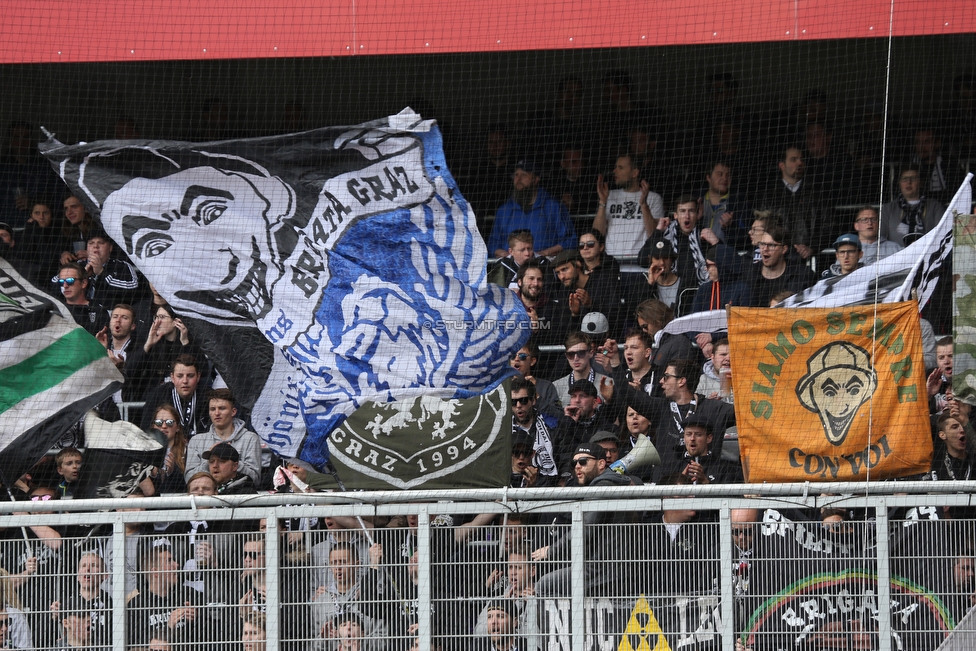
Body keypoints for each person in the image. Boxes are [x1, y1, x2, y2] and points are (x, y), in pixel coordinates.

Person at [600, 358, 735, 477]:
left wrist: (738, 384)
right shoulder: (659, 408)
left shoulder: (714, 408)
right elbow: (627, 393)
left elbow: (743, 414)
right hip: (666, 488)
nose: (661, 381)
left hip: (706, 487)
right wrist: (615, 362)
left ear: (681, 381)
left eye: (666, 377)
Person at [532, 443, 636, 597]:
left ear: (601, 463)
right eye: (574, 463)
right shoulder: (607, 483)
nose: (577, 467)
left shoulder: (602, 486)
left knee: (544, 585)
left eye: (583, 462)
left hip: (602, 570)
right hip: (607, 568)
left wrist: (551, 550)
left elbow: (585, 529)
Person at [486, 161, 576, 259]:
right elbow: (492, 244)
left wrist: (543, 254)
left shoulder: (553, 206)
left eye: (524, 175)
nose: (518, 179)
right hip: (510, 268)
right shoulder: (503, 210)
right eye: (516, 175)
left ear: (536, 179)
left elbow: (570, 240)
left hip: (544, 266)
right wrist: (506, 255)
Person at [126, 544, 203, 647]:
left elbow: (209, 633)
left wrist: (198, 617)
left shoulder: (189, 595)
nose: (177, 565)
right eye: (169, 561)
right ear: (156, 572)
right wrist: (169, 628)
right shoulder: (137, 604)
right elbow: (135, 645)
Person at [184, 389, 262, 486]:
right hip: (206, 498)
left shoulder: (250, 438)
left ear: (233, 411)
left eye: (222, 408)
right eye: (212, 409)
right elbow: (189, 479)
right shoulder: (196, 441)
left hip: (239, 497)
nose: (216, 413)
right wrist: (209, 461)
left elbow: (255, 478)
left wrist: (231, 459)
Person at [593, 153, 663, 261]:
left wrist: (644, 205)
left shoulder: (653, 198)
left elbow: (655, 235)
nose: (614, 171)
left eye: (620, 168)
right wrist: (602, 202)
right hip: (612, 264)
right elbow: (597, 233)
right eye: (615, 167)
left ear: (634, 173)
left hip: (640, 263)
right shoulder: (609, 195)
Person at [758, 146, 822, 258]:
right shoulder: (770, 195)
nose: (800, 163)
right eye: (794, 159)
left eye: (801, 159)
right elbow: (765, 226)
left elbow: (828, 225)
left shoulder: (816, 192)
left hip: (811, 258)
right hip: (779, 257)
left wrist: (812, 247)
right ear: (781, 165)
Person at [649, 195, 712, 289]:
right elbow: (641, 259)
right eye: (682, 211)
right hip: (673, 291)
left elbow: (725, 264)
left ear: (697, 214)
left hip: (700, 292)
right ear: (676, 215)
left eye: (691, 211)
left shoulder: (705, 236)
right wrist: (658, 231)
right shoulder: (667, 237)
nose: (687, 216)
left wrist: (716, 243)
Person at [745, 225, 817, 307]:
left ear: (784, 249)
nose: (765, 249)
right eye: (762, 244)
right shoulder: (749, 274)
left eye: (771, 245)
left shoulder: (803, 274)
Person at [140, 355, 211, 437]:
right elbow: (146, 429)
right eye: (180, 376)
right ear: (172, 377)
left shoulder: (208, 396)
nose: (185, 381)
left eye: (190, 376)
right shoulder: (157, 395)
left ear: (198, 377)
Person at [659, 418, 742, 485]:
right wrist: (680, 480)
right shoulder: (670, 468)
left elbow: (731, 499)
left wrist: (705, 482)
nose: (692, 439)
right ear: (684, 438)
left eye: (698, 434)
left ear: (709, 438)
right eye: (688, 434)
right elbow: (658, 498)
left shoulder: (725, 469)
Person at [880, 164, 945, 247]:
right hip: (896, 257)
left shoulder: (934, 206)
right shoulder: (888, 209)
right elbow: (881, 238)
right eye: (904, 179)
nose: (909, 182)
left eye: (913, 178)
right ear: (899, 183)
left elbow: (942, 233)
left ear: (921, 182)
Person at [510, 377, 559, 487]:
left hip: (549, 488)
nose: (518, 405)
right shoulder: (504, 431)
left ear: (533, 400)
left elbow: (564, 456)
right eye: (513, 402)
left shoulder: (551, 425)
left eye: (523, 400)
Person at [83, 229, 142, 310]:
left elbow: (133, 289)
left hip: (112, 316)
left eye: (101, 242)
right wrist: (82, 276)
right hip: (81, 314)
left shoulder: (122, 266)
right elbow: (61, 288)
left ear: (110, 247)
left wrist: (101, 273)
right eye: (91, 243)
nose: (95, 246)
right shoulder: (77, 265)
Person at [698, 161, 751, 249]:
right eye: (720, 174)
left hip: (724, 257)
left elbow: (747, 238)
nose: (725, 178)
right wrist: (696, 219)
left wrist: (730, 226)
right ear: (708, 177)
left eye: (728, 175)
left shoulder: (739, 204)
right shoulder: (697, 202)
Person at [576, 229, 622, 328]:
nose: (585, 248)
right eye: (581, 245)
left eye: (590, 244)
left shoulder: (611, 268)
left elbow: (612, 303)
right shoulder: (576, 270)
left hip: (607, 323)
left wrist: (590, 304)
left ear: (601, 247)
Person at [552, 332, 609, 408]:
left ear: (591, 353)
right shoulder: (556, 386)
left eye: (581, 353)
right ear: (566, 356)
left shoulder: (608, 384)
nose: (576, 358)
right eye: (571, 354)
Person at [508, 338, 560, 418]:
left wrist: (536, 394)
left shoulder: (546, 387)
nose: (516, 359)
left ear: (532, 361)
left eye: (522, 356)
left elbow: (558, 416)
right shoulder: (502, 387)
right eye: (512, 356)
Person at [55, 262, 108, 336]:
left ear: (83, 283)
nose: (65, 286)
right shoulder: (56, 310)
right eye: (61, 282)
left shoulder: (99, 311)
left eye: (70, 281)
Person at [632, 239, 683, 310]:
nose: (662, 262)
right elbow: (640, 311)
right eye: (657, 258)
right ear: (651, 260)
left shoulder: (684, 284)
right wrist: (650, 284)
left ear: (672, 259)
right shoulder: (642, 283)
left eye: (666, 257)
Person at [150, 404, 189, 494]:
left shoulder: (188, 450)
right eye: (159, 422)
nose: (163, 426)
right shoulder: (145, 451)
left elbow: (189, 484)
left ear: (178, 427)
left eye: (169, 422)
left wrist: (172, 472)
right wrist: (153, 475)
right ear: (153, 427)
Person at [930, 413, 974, 481]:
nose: (962, 430)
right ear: (942, 435)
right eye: (955, 427)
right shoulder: (936, 465)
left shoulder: (973, 461)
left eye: (963, 426)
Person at [59, 196, 96, 265]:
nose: (69, 212)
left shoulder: (99, 230)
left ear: (86, 208)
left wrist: (92, 255)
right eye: (66, 209)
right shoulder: (70, 232)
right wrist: (65, 254)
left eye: (74, 206)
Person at [697, 338, 734, 403]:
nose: (728, 358)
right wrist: (709, 404)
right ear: (712, 357)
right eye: (723, 354)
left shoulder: (744, 380)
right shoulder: (701, 381)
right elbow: (695, 407)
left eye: (732, 355)